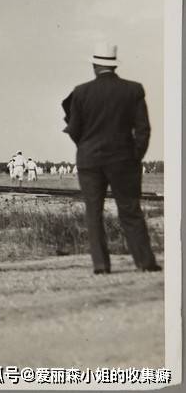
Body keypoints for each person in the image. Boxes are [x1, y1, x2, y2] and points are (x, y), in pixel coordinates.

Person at [63, 42, 160, 274]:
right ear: (114, 66)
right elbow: (143, 129)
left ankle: (100, 265)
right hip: (123, 159)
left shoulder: (80, 91)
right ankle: (145, 262)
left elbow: (74, 129)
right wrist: (135, 156)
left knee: (93, 212)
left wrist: (85, 147)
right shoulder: (133, 89)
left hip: (89, 160)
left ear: (95, 65)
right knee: (130, 210)